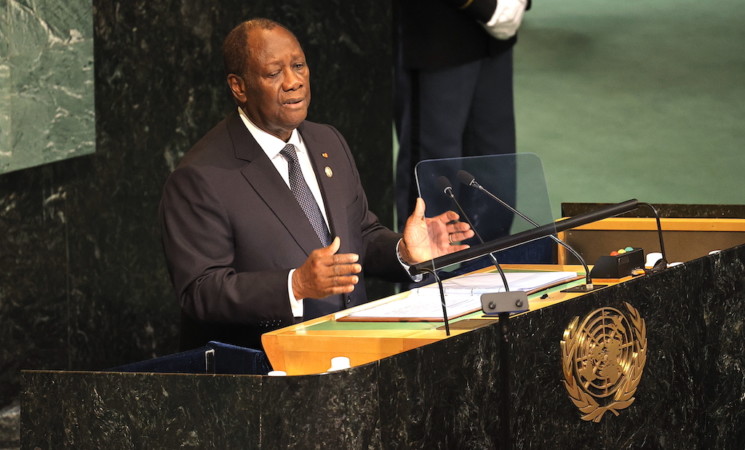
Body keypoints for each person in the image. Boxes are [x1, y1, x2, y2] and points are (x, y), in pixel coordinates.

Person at [159, 18, 474, 351]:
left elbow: (360, 237)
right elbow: (201, 291)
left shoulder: (328, 140)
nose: (294, 82)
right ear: (239, 87)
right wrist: (295, 285)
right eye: (273, 73)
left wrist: (405, 253)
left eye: (298, 66)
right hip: (267, 373)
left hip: (353, 355)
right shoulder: (200, 177)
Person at [395, 0, 529, 239]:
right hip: (441, 28)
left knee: (494, 158)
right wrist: (487, 7)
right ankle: (425, 271)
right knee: (434, 169)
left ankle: (489, 264)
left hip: (496, 36)